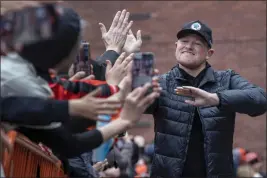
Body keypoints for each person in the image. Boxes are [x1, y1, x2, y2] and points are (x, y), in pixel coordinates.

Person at [145, 20, 266, 178]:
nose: (188, 46)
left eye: (197, 43)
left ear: (209, 53)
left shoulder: (226, 80)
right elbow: (131, 106)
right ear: (176, 46)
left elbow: (261, 100)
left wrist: (216, 98)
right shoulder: (161, 83)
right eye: (184, 41)